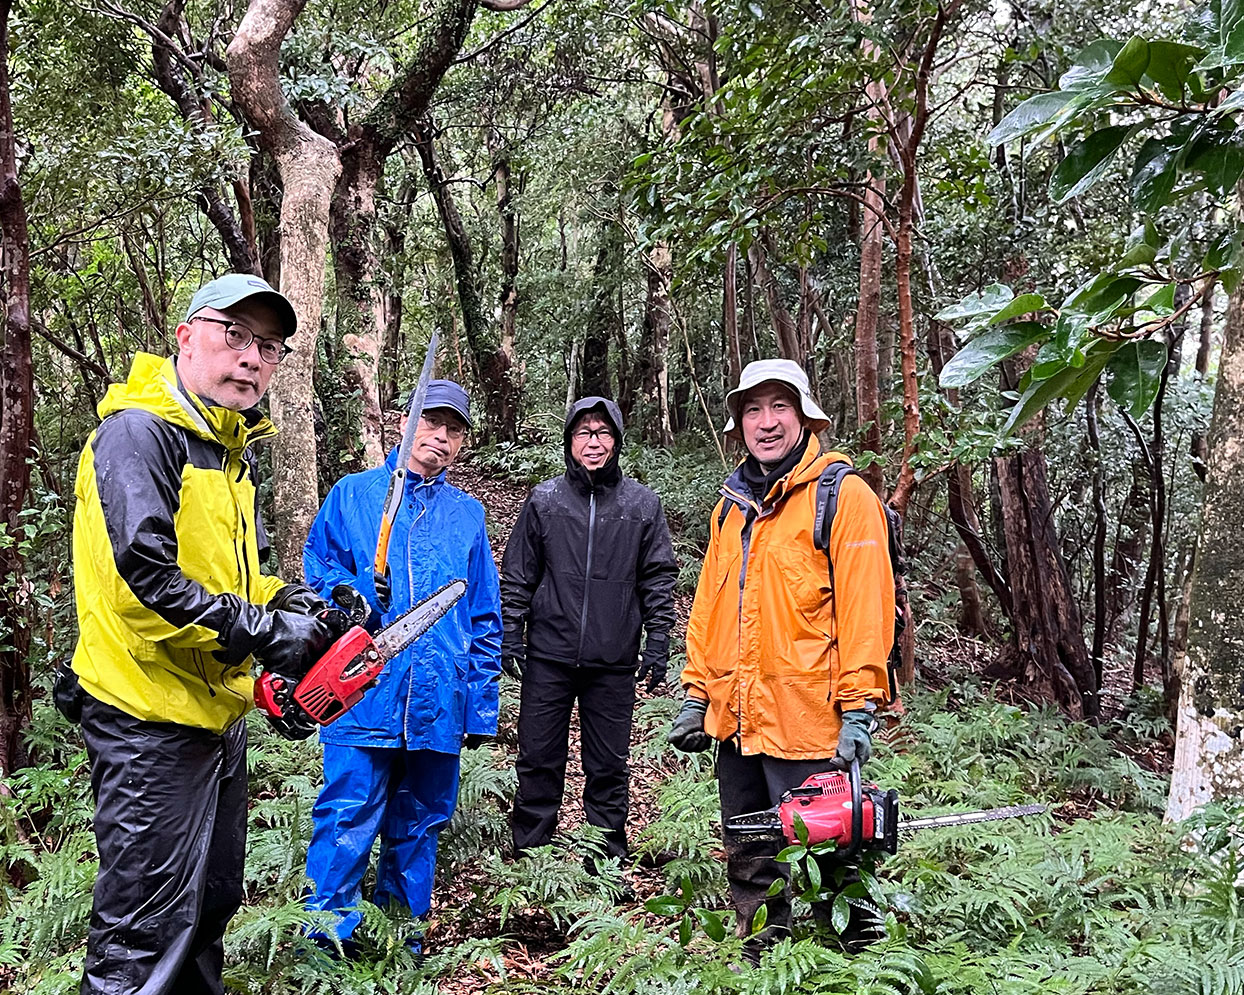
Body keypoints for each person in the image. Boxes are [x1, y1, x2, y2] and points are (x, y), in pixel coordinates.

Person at [66, 273, 345, 995]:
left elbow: (230, 583)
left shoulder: (221, 452)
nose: (250, 358)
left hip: (208, 718)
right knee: (141, 934)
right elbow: (147, 584)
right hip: (148, 723)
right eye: (234, 336)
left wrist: (304, 610)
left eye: (267, 346)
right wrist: (267, 633)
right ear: (188, 337)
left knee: (211, 902)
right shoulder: (141, 435)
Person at [668, 358, 896, 952]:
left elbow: (867, 610)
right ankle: (764, 963)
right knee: (749, 851)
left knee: (829, 862)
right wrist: (697, 694)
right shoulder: (730, 507)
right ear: (738, 422)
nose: (765, 422)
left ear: (803, 415)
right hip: (739, 722)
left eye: (778, 407)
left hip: (812, 722)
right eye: (752, 410)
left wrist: (861, 709)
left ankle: (851, 982)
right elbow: (710, 609)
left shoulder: (845, 498)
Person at [300, 379, 502, 951]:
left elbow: (483, 615)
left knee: (419, 827)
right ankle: (325, 946)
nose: (440, 437)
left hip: (438, 699)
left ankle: (398, 943)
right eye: (432, 422)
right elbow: (318, 570)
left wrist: (480, 706)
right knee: (346, 819)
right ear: (406, 423)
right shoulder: (355, 494)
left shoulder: (468, 514)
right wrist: (352, 595)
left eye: (454, 428)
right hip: (363, 692)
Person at [500, 396, 677, 860]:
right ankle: (530, 856)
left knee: (608, 765)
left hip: (614, 659)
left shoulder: (642, 504)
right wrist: (511, 634)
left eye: (602, 433)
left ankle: (606, 860)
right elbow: (519, 572)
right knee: (538, 759)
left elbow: (658, 575)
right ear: (569, 442)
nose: (593, 442)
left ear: (616, 441)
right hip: (548, 655)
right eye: (583, 433)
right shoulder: (545, 500)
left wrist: (658, 638)